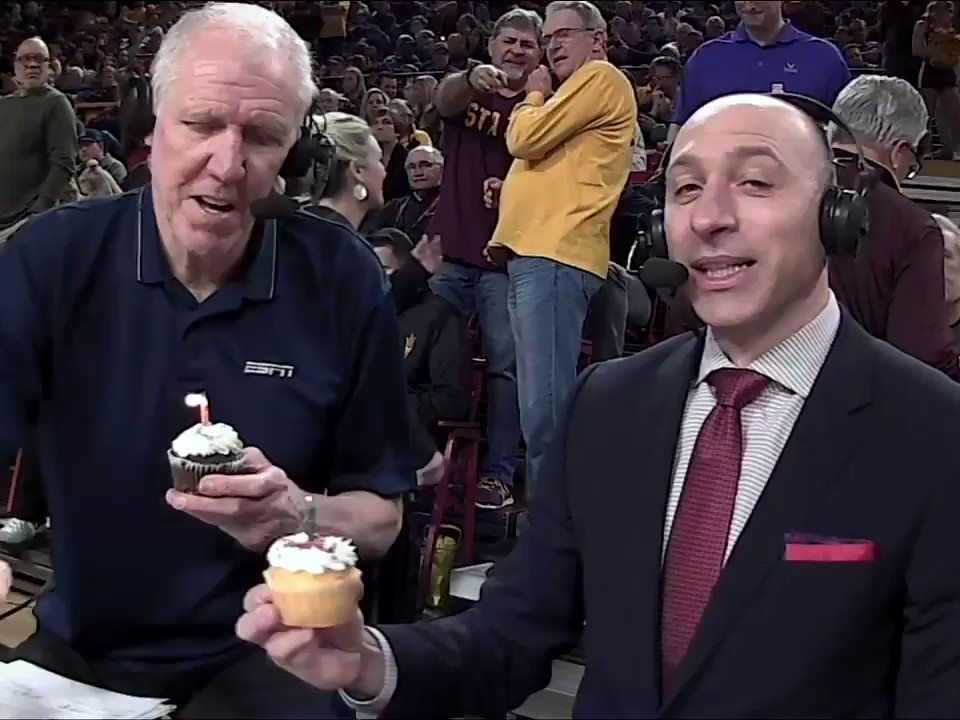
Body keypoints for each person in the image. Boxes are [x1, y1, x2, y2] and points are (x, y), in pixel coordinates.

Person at [237, 93, 960, 718]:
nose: (709, 218)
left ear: (836, 217)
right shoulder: (610, 404)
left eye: (756, 183)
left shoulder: (931, 431)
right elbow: (510, 636)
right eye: (683, 190)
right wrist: (367, 660)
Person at [0, 5, 413, 717]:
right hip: (82, 654)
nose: (227, 165)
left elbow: (381, 518)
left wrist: (297, 512)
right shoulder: (50, 259)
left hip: (271, 649)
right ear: (152, 128)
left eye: (261, 136)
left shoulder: (341, 276)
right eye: (201, 125)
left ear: (296, 155)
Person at [487, 0, 636, 496]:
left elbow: (524, 139)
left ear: (598, 39)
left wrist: (531, 98)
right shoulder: (577, 93)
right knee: (537, 405)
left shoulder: (600, 78)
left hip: (556, 254)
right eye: (547, 38)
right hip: (537, 253)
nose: (551, 47)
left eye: (562, 35)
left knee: (545, 409)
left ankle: (555, 530)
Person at [427, 7, 543, 510]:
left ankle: (497, 475)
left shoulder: (547, 105)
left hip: (505, 259)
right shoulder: (470, 87)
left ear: (539, 54)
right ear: (493, 45)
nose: (516, 51)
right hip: (450, 251)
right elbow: (443, 99)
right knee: (420, 354)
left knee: (506, 368)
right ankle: (414, 457)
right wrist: (470, 76)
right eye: (509, 41)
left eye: (527, 44)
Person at [828, 75, 960, 380]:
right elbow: (919, 362)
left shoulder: (775, 186)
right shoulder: (910, 226)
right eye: (911, 166)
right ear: (900, 151)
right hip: (853, 407)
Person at [668, 0, 851, 142]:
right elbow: (681, 127)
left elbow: (848, 134)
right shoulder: (705, 58)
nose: (749, 5)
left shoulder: (825, 57)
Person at [0, 36, 79, 242]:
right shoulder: (4, 105)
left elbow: (64, 162)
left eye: (39, 59)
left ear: (49, 66)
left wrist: (40, 211)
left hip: (28, 222)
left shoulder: (56, 103)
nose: (32, 64)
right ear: (15, 66)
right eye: (25, 59)